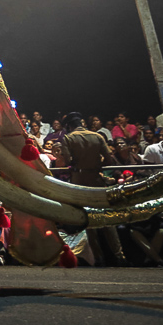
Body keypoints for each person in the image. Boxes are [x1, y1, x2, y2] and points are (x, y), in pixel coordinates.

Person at [61, 112, 126, 266]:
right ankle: (119, 255)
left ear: (70, 126)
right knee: (107, 218)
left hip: (80, 181)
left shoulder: (68, 138)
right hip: (96, 179)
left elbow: (68, 161)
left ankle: (98, 257)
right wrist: (97, 162)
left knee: (88, 220)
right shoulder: (97, 136)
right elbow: (109, 159)